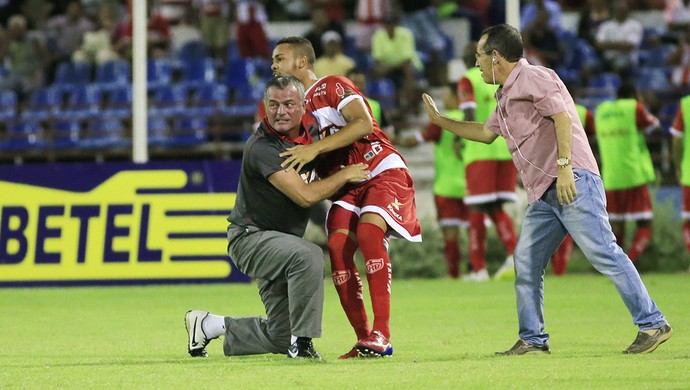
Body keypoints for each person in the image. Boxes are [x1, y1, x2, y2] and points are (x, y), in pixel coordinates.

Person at [422, 24, 672, 355]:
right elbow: (485, 133)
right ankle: (533, 339)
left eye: (479, 57)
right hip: (544, 193)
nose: (477, 63)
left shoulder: (534, 78)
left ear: (496, 57)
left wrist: (566, 167)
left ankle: (653, 323)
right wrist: (441, 121)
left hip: (571, 181)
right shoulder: (506, 94)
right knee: (526, 260)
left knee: (603, 252)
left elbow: (562, 118)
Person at [185, 75, 370, 359]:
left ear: (303, 106)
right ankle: (303, 343)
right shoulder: (264, 147)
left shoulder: (310, 135)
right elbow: (306, 196)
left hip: (282, 244)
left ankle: (209, 324)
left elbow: (356, 128)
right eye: (273, 104)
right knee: (309, 256)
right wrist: (346, 173)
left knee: (280, 335)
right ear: (264, 107)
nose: (280, 111)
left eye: (288, 104)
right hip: (251, 239)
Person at [272, 36, 422, 358]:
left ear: (300, 63)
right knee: (338, 248)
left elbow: (364, 123)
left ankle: (382, 333)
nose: (273, 66)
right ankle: (365, 339)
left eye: (279, 59)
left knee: (369, 232)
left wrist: (315, 148)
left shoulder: (331, 86)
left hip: (378, 166)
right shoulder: (294, 116)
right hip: (346, 183)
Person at [456, 42, 518, 282]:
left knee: (476, 208)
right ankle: (514, 255)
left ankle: (478, 268)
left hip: (480, 150)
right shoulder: (499, 77)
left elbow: (469, 114)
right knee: (495, 207)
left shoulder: (467, 79)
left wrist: (459, 137)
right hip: (503, 148)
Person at [397, 85, 469, 279]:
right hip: (470, 186)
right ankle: (477, 271)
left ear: (456, 96)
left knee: (450, 233)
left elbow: (415, 140)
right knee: (474, 232)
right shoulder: (472, 118)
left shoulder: (442, 121)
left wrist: (393, 139)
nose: (444, 100)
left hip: (446, 186)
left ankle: (455, 276)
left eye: (446, 95)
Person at [593, 81, 660, 263]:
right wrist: (643, 103)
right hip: (633, 174)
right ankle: (629, 262)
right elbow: (655, 125)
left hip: (611, 177)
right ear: (634, 95)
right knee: (645, 223)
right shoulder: (634, 108)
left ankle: (613, 265)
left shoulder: (601, 111)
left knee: (616, 226)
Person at [670, 93, 690, 272]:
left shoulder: (685, 104)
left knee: (688, 222)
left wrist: (677, 164)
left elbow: (676, 139)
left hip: (688, 173)